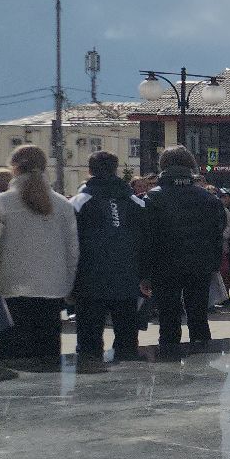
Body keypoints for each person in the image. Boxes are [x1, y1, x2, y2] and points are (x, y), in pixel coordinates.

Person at [0, 146, 78, 362]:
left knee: (13, 357)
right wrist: (67, 285)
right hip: (53, 290)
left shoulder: (1, 203)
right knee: (48, 359)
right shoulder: (63, 205)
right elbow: (72, 252)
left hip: (11, 290)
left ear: (13, 168)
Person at [140, 147, 228, 350]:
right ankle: (203, 360)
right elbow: (218, 232)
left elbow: (146, 240)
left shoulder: (152, 199)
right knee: (199, 317)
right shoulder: (208, 199)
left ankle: (169, 365)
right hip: (200, 266)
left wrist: (145, 274)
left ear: (163, 166)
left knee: (168, 319)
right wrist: (212, 264)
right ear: (190, 166)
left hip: (164, 267)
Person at [69, 151, 147, 362]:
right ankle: (127, 388)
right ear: (116, 170)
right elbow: (146, 241)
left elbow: (70, 244)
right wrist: (144, 274)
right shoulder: (136, 202)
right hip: (127, 281)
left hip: (89, 282)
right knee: (127, 344)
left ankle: (89, 386)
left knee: (88, 345)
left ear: (90, 171)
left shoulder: (79, 201)